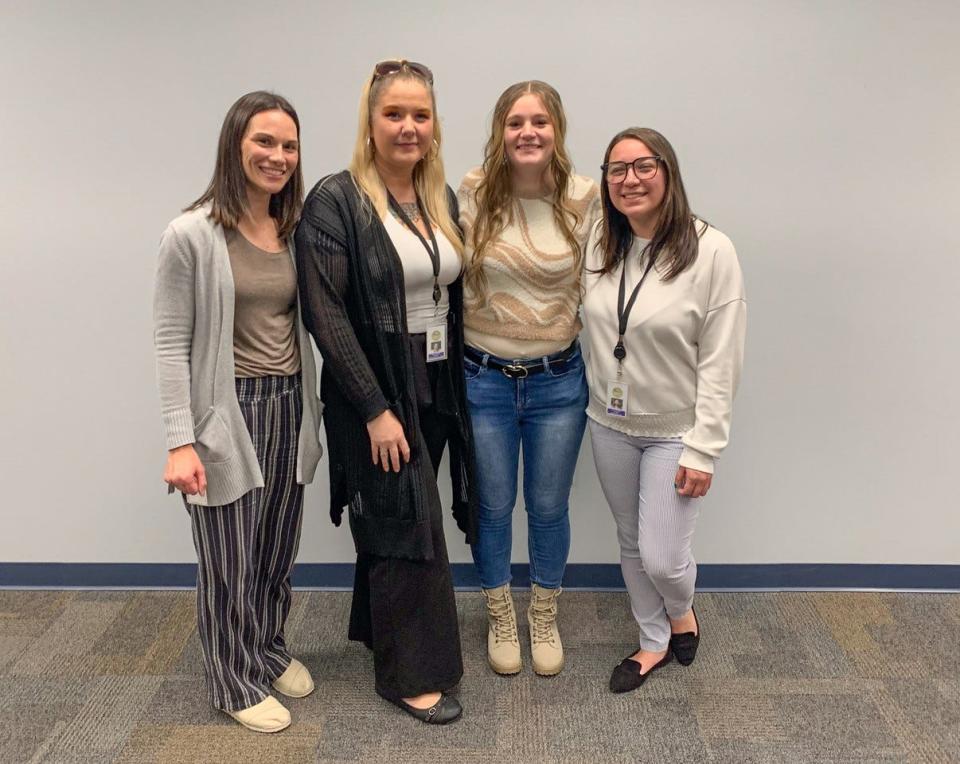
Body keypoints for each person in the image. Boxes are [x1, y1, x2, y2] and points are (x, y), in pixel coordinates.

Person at [294, 60, 475, 725]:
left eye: (420, 115)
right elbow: (325, 314)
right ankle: (409, 675)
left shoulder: (439, 197)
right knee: (406, 521)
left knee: (396, 515)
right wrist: (375, 409)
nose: (408, 127)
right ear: (369, 122)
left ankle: (382, 633)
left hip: (431, 376)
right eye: (393, 113)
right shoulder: (335, 200)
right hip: (369, 383)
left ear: (434, 124)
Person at [153, 91, 323, 732]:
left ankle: (265, 648)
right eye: (265, 142)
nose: (277, 156)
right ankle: (230, 679)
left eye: (288, 146)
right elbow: (170, 341)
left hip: (288, 404)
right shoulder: (191, 234)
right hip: (229, 414)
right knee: (230, 557)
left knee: (277, 546)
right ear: (235, 145)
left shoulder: (293, 227)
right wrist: (180, 440)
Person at [581, 127, 746, 693]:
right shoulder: (601, 245)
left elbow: (722, 363)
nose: (630, 179)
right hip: (609, 423)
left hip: (677, 430)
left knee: (663, 557)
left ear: (668, 172)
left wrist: (705, 449)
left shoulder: (711, 251)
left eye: (644, 166)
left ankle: (682, 612)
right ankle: (652, 641)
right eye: (616, 169)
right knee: (630, 541)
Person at [458, 81, 600, 677]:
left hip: (557, 380)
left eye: (539, 122)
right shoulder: (471, 193)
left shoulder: (584, 196)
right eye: (516, 122)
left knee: (547, 507)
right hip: (483, 378)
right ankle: (499, 612)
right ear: (500, 131)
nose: (528, 133)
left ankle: (542, 612)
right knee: (492, 507)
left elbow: (602, 281)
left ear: (557, 129)